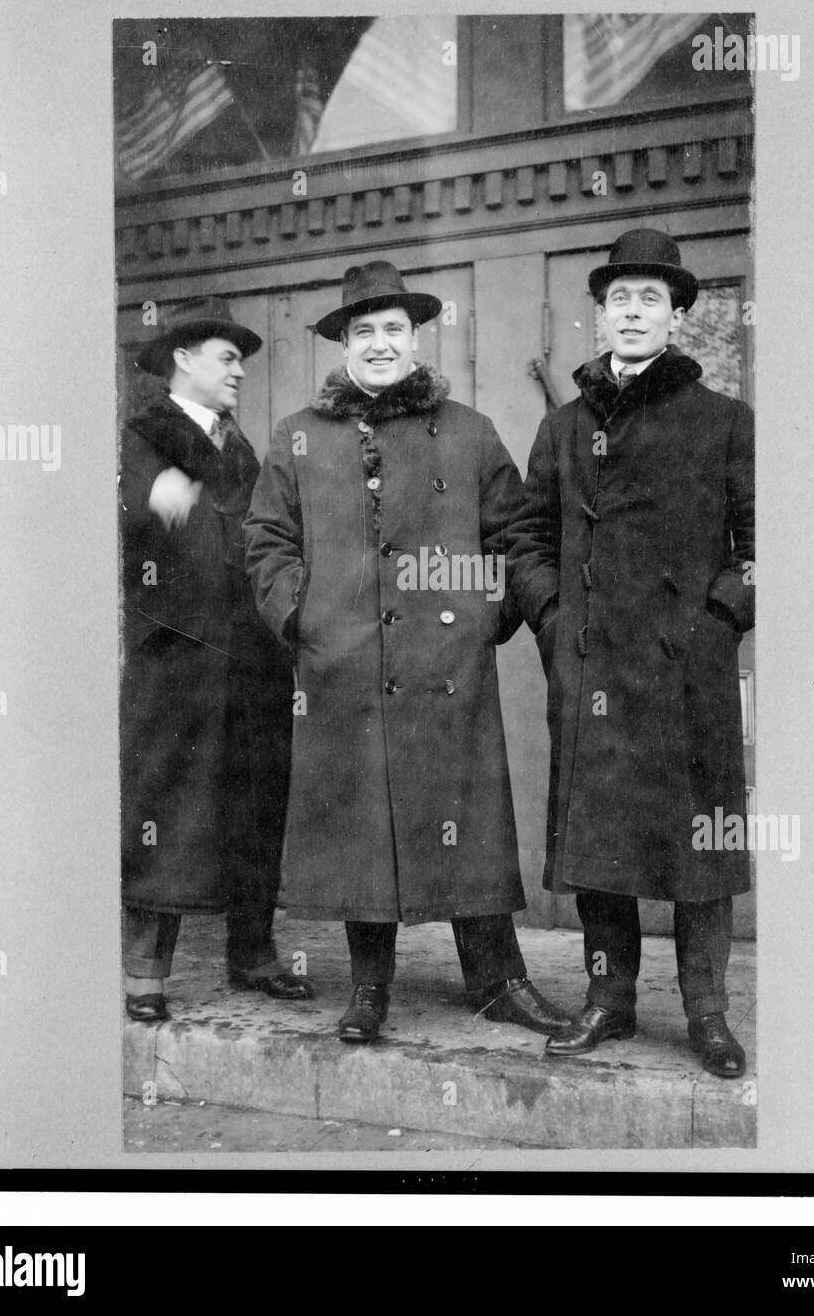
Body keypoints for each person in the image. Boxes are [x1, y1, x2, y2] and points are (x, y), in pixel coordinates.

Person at [243, 261, 568, 1044]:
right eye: (364, 332)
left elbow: (514, 535)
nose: (380, 344)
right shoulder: (298, 436)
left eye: (393, 330)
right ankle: (368, 988)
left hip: (446, 670)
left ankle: (498, 981)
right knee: (361, 822)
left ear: (416, 339)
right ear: (343, 346)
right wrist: (303, 619)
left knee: (467, 818)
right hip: (343, 666)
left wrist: (481, 618)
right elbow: (265, 542)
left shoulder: (468, 432)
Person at [508, 229, 754, 1077]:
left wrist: (713, 623)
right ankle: (607, 1001)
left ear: (677, 317)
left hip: (688, 676)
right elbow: (525, 538)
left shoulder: (725, 422)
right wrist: (551, 620)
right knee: (598, 848)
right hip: (592, 671)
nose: (634, 313)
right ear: (600, 316)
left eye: (652, 299)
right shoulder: (564, 426)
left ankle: (707, 1014)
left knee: (698, 855)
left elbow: (762, 544)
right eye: (620, 299)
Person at [120, 296, 312, 1022]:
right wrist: (189, 505)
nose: (238, 371)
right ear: (183, 359)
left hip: (253, 657)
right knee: (167, 800)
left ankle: (253, 953)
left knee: (256, 799)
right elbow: (159, 518)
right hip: (176, 656)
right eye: (227, 357)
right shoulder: (143, 435)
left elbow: (245, 532)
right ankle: (146, 972)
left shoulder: (238, 447)